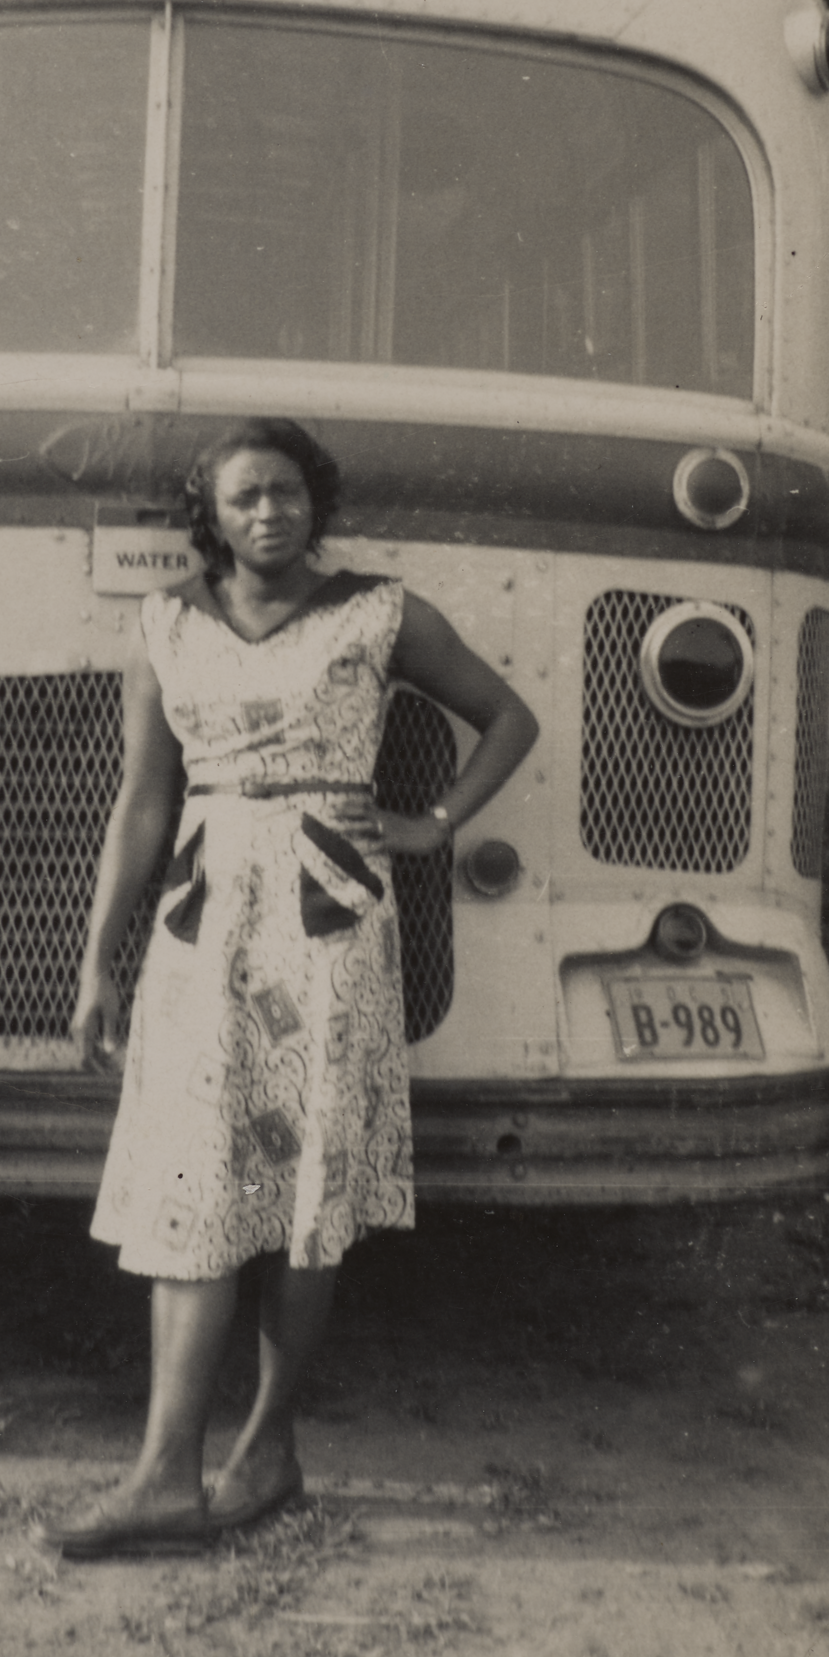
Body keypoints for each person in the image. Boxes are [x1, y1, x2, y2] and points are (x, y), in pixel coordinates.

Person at [40, 417, 539, 1560]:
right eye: (246, 496)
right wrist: (96, 959)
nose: (270, 512)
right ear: (209, 515)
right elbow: (144, 807)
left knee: (309, 1192)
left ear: (317, 503)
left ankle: (266, 1445)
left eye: (288, 493)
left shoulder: (381, 612)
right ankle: (165, 1473)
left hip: (328, 927)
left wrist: (434, 824)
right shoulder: (164, 623)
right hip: (203, 929)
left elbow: (511, 716)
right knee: (191, 1185)